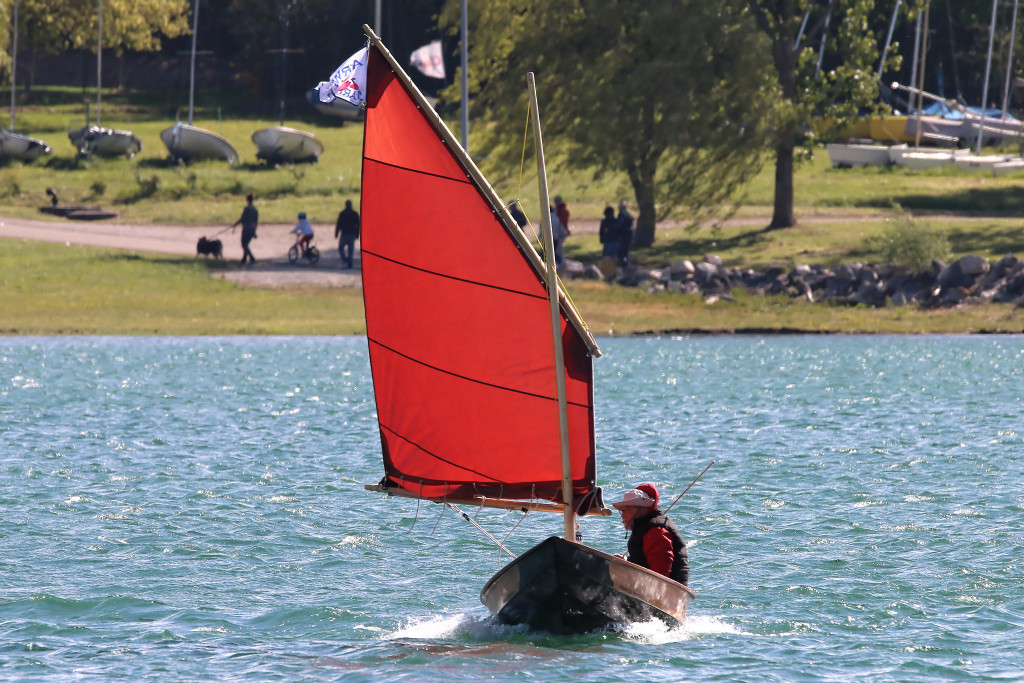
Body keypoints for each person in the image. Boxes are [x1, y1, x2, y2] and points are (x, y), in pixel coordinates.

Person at [611, 484, 689, 585]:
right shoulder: (643, 528)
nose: (623, 515)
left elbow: (660, 573)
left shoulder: (656, 531)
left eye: (628, 509)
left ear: (643, 509)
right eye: (622, 510)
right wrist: (626, 564)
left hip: (665, 593)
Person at [231, 193, 258, 265]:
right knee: (246, 244)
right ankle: (244, 258)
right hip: (252, 229)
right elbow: (256, 222)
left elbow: (242, 219)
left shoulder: (247, 209)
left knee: (244, 244)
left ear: (247, 200)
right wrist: (254, 232)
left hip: (246, 229)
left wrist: (235, 224)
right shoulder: (255, 209)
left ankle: (252, 257)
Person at [334, 199, 360, 269]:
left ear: (345, 205)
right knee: (350, 250)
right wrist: (357, 234)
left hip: (344, 234)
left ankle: (345, 260)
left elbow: (339, 224)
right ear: (351, 205)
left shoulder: (342, 213)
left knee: (341, 248)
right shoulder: (355, 214)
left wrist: (336, 233)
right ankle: (350, 263)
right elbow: (358, 225)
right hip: (352, 234)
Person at [615, 200, 634, 267]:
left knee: (620, 254)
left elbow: (619, 225)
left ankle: (626, 266)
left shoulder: (622, 214)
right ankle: (627, 267)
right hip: (629, 237)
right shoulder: (629, 215)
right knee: (625, 254)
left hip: (623, 237)